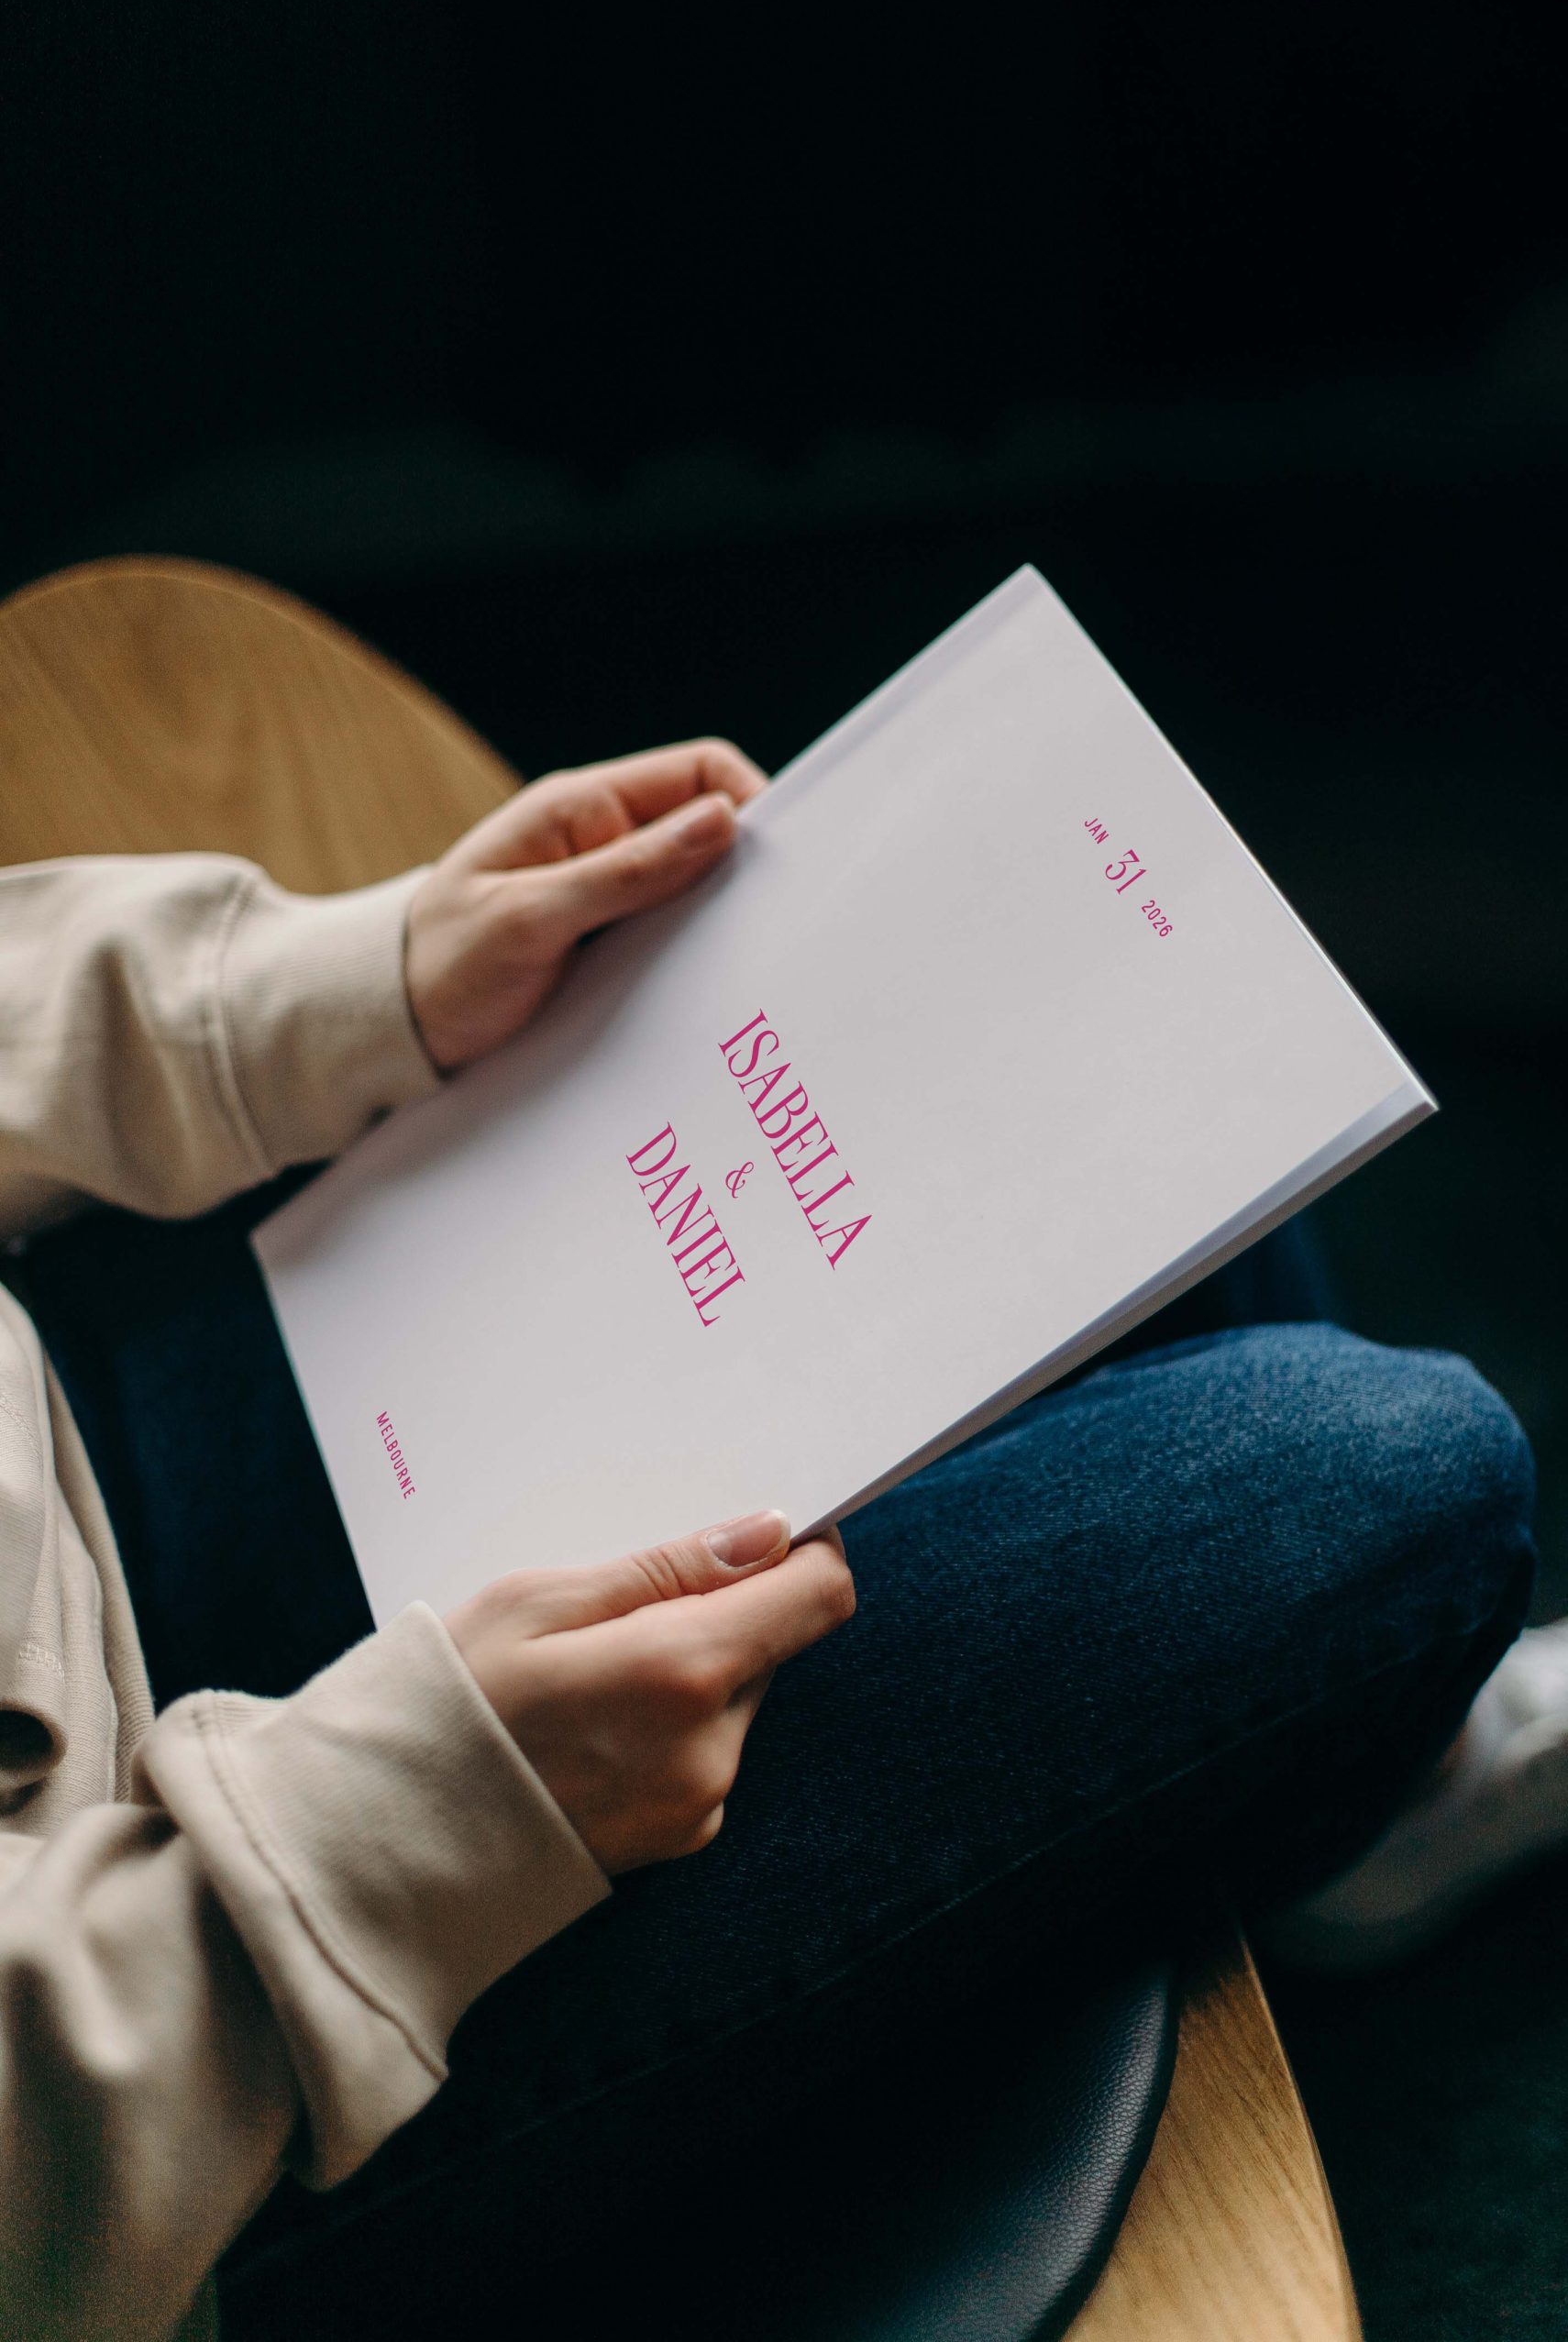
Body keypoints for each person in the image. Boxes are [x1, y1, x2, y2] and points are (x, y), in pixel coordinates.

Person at [0, 740, 1540, 2341]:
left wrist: (314, 990)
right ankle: (1363, 1802)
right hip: (192, 2058)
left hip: (72, 1369)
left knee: (1128, 981)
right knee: (1378, 1474)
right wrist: (391, 1844)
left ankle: (1344, 1762)